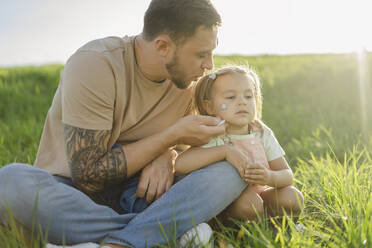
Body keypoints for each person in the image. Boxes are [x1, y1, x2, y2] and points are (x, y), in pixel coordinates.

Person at [0, 1, 249, 247]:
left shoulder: (190, 82)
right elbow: (89, 176)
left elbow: (189, 151)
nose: (209, 66)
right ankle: (159, 233)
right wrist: (169, 138)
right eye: (201, 55)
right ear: (163, 46)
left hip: (144, 193)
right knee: (10, 182)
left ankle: (113, 243)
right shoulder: (96, 64)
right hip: (71, 194)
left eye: (211, 52)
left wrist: (169, 154)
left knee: (232, 168)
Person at [175, 66, 304, 223]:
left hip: (260, 194)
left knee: (293, 197)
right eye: (230, 97)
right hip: (229, 201)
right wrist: (222, 151)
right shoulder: (213, 134)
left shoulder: (261, 132)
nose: (242, 102)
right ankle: (226, 226)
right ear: (209, 106)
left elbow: (287, 175)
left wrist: (269, 177)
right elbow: (181, 164)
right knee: (250, 205)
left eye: (248, 96)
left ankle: (274, 226)